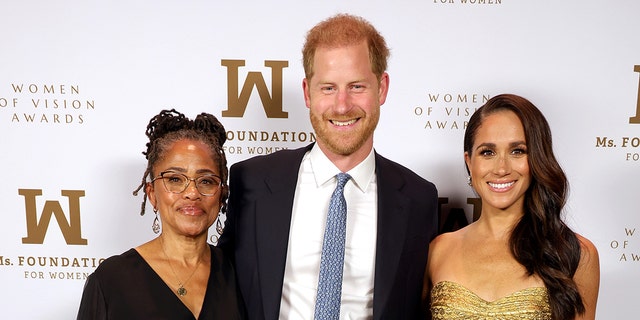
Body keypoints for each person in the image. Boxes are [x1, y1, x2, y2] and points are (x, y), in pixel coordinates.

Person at [217, 13, 439, 320]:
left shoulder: (418, 198)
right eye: (328, 88)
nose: (343, 105)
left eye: (357, 86)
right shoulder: (252, 182)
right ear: (308, 93)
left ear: (382, 88)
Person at [424, 94, 600, 319]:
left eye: (517, 151)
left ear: (537, 158)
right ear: (469, 162)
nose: (501, 168)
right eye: (488, 152)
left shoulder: (576, 253)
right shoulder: (438, 250)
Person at [76, 109, 245, 319]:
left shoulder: (242, 276)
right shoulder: (111, 280)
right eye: (175, 179)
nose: (192, 193)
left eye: (206, 181)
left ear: (221, 195)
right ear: (152, 194)